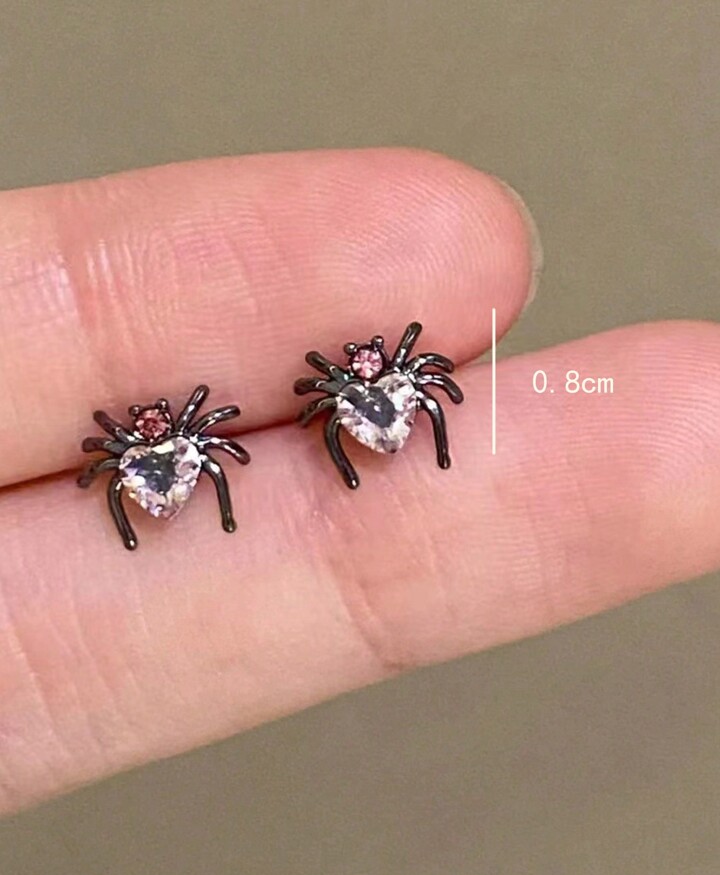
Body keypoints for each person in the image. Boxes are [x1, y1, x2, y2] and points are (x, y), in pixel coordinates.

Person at [0, 147, 715, 816]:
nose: (158, 423)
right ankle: (229, 494)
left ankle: (358, 458)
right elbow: (207, 434)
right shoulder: (233, 425)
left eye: (373, 359)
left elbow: (418, 381)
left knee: (344, 416)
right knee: (216, 456)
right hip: (195, 469)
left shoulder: (386, 379)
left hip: (348, 424)